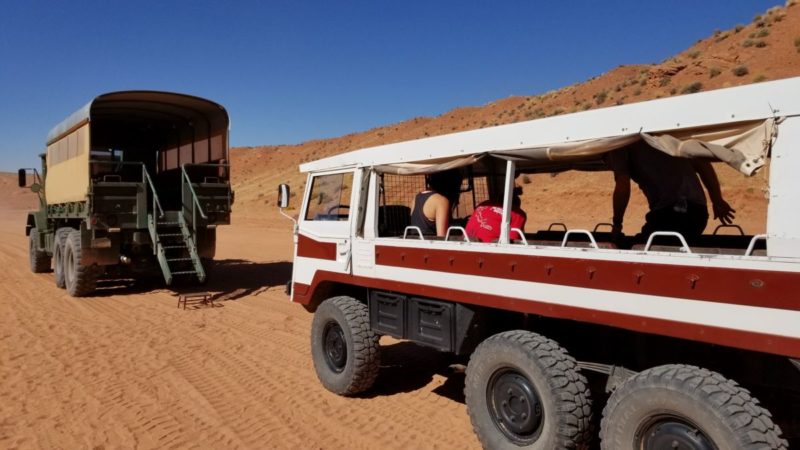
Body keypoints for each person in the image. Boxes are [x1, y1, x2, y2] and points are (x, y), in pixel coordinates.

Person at [607, 142, 735, 239]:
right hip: (698, 211)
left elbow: (622, 185)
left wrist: (617, 224)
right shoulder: (663, 134)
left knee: (638, 249)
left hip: (670, 212)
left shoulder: (617, 144)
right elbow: (702, 164)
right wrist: (717, 200)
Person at [409, 169, 463, 236]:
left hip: (415, 243)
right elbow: (442, 237)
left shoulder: (417, 197)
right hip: (430, 244)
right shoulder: (441, 201)